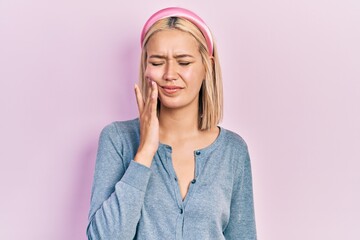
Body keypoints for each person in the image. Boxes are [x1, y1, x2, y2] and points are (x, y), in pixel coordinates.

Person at [86, 7, 257, 240]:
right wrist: (145, 152)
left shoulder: (233, 151)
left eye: (184, 62)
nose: (169, 74)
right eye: (157, 62)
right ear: (145, 68)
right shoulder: (117, 139)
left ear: (207, 66)